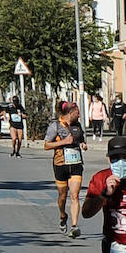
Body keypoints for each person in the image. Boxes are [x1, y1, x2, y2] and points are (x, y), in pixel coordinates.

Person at [44, 102, 88, 237]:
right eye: (77, 112)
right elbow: (46, 145)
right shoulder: (55, 126)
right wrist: (63, 142)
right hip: (60, 164)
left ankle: (74, 226)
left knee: (75, 196)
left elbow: (81, 140)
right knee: (63, 196)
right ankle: (63, 215)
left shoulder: (78, 125)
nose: (79, 114)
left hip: (75, 163)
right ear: (70, 113)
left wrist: (83, 144)